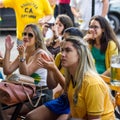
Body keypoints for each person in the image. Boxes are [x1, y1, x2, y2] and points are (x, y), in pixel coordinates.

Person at [26, 33, 115, 119]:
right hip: (75, 113)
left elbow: (94, 119)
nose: (62, 54)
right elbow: (74, 111)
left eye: (68, 50)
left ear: (80, 54)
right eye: (62, 50)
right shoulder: (73, 78)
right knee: (30, 117)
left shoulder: (92, 84)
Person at [24, 27, 83, 120]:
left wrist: (54, 69)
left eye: (66, 39)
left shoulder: (83, 62)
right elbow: (51, 85)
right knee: (30, 117)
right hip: (63, 100)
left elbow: (70, 90)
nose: (62, 41)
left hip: (77, 102)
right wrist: (49, 69)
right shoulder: (60, 56)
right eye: (62, 38)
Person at [3, 23, 57, 120]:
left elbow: (25, 74)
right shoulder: (25, 51)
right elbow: (7, 70)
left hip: (42, 93)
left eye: (30, 35)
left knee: (6, 112)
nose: (26, 37)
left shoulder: (40, 54)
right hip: (27, 91)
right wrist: (8, 50)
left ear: (37, 38)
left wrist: (22, 56)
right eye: (24, 34)